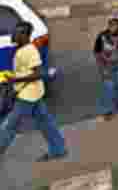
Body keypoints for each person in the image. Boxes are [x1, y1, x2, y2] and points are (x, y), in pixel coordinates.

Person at [0, 22, 67, 161]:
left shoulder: (30, 51)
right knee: (46, 123)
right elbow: (25, 71)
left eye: (17, 33)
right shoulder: (21, 50)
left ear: (24, 35)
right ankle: (59, 149)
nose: (13, 35)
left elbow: (39, 73)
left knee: (9, 125)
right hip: (33, 93)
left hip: (28, 96)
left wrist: (15, 80)